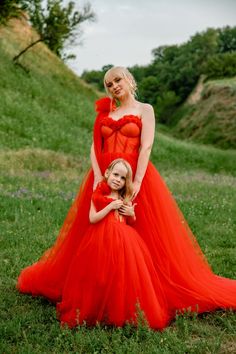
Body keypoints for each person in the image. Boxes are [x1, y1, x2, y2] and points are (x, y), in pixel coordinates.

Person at [17, 66, 236, 329]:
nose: (114, 86)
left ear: (129, 79)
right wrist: (98, 176)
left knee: (140, 233)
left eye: (117, 80)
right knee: (95, 233)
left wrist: (138, 183)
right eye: (109, 84)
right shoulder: (105, 112)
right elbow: (94, 146)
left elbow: (146, 146)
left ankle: (143, 289)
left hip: (132, 177)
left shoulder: (145, 110)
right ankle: (95, 288)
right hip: (104, 178)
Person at [57, 158, 169, 328]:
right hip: (100, 240)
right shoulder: (98, 194)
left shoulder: (124, 196)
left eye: (123, 178)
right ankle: (96, 309)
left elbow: (130, 221)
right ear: (107, 173)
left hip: (125, 241)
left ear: (126, 182)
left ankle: (121, 312)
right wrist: (109, 207)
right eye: (116, 174)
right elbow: (92, 218)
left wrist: (131, 212)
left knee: (122, 276)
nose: (118, 179)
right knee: (101, 275)